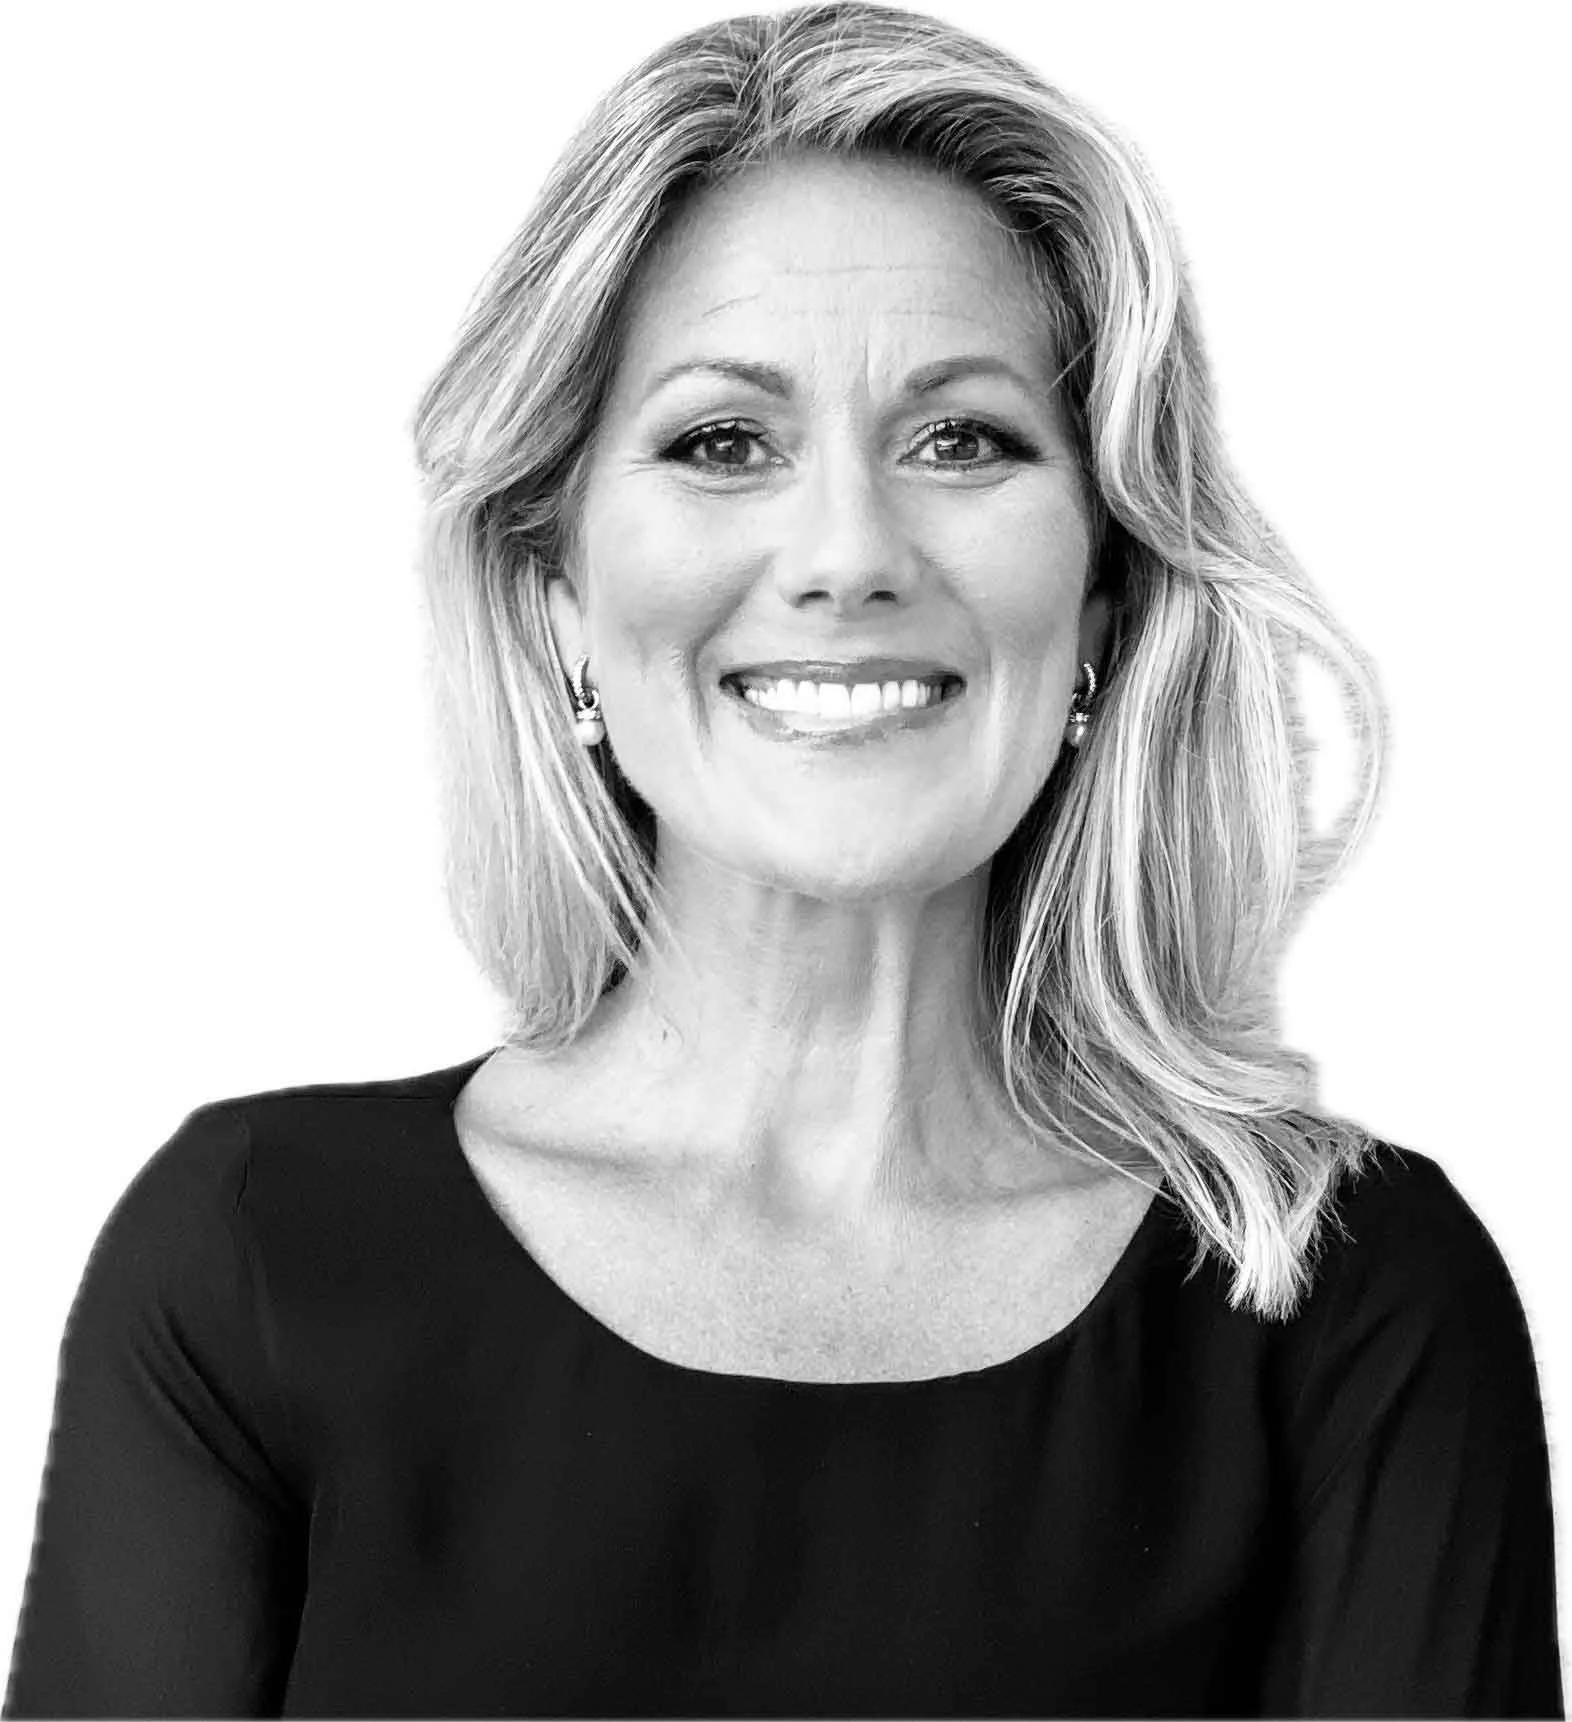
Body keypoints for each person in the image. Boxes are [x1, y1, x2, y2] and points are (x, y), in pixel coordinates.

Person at [3, 1, 1562, 1715]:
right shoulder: (254, 1255)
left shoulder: (1341, 1297)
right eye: (722, 443)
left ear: (1104, 595)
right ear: (559, 590)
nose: (845, 552)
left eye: (963, 439)